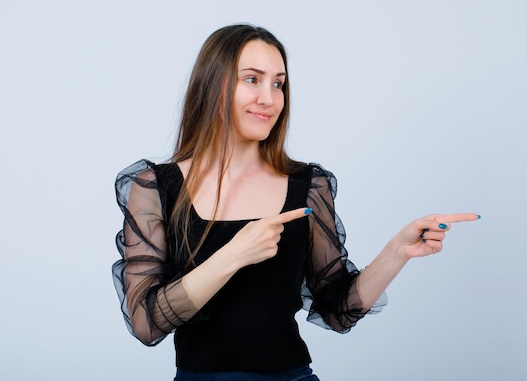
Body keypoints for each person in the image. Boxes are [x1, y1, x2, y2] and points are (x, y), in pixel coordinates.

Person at [112, 24, 479, 381]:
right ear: (212, 84)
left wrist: (397, 251)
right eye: (252, 79)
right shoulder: (157, 186)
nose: (269, 99)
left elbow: (338, 309)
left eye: (278, 84)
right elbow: (146, 322)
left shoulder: (307, 185)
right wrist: (234, 254)